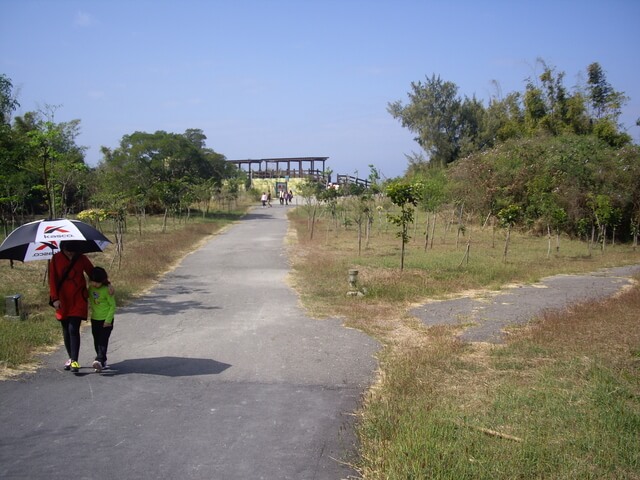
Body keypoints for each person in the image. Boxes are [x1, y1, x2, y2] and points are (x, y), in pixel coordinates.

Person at [49, 241, 94, 373]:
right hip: (62, 299)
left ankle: (75, 360)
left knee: (73, 328)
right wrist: (55, 298)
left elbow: (93, 272)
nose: (70, 254)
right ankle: (70, 357)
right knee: (65, 329)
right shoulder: (56, 258)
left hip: (78, 298)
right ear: (62, 248)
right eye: (68, 251)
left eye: (73, 252)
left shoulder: (82, 258)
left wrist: (106, 283)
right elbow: (52, 279)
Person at [88, 267, 116, 373]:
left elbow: (112, 306)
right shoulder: (90, 288)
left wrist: (108, 320)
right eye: (93, 282)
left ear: (103, 281)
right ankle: (102, 361)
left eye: (98, 283)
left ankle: (98, 359)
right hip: (95, 319)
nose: (95, 284)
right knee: (96, 341)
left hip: (106, 320)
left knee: (103, 341)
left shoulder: (107, 290)